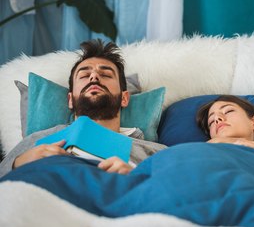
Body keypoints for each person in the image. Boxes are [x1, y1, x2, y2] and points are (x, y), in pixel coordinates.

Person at [0, 39, 166, 177]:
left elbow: (172, 192)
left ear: (124, 98)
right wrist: (19, 163)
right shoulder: (37, 139)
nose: (94, 76)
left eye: (106, 74)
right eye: (85, 75)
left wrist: (136, 178)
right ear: (70, 100)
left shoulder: (152, 151)